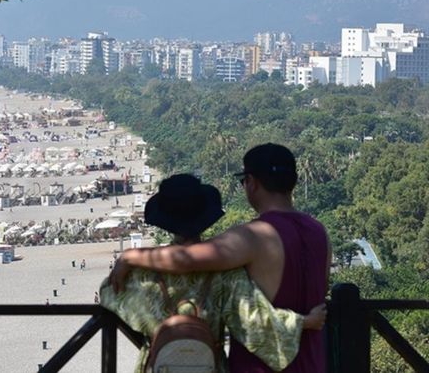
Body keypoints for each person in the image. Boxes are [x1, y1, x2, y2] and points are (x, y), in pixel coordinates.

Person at [110, 144, 330, 372]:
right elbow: (320, 290)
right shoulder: (319, 232)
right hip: (313, 362)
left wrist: (130, 257)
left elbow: (186, 259)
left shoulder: (254, 236)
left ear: (251, 182)